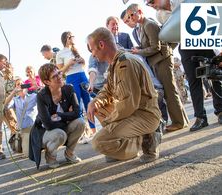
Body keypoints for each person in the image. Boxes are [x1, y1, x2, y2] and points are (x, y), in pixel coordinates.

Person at [87, 27, 161, 163]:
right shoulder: (115, 64)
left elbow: (128, 103)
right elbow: (107, 90)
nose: (92, 54)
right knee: (97, 107)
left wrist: (110, 121)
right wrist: (94, 102)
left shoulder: (125, 63)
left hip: (145, 115)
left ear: (101, 45)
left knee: (99, 142)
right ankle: (126, 143)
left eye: (92, 49)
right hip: (134, 112)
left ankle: (146, 141)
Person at [146, 0, 222, 129]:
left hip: (203, 36)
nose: (152, 5)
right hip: (185, 45)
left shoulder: (181, 1)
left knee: (213, 75)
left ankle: (220, 111)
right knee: (193, 80)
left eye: (152, 1)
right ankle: (200, 117)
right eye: (148, 4)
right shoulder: (160, 16)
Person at [126, 3, 189, 132]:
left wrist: (139, 52)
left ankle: (178, 122)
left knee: (170, 92)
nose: (131, 18)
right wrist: (139, 49)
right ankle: (182, 120)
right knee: (171, 91)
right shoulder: (143, 25)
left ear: (139, 11)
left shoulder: (148, 24)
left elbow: (156, 47)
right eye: (129, 17)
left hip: (162, 60)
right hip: (158, 61)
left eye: (132, 15)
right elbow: (149, 45)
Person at [29, 63, 85, 169]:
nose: (59, 77)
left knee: (81, 122)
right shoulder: (41, 95)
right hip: (44, 132)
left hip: (59, 127)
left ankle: (69, 153)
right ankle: (50, 157)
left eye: (59, 73)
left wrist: (59, 115)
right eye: (54, 76)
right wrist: (68, 116)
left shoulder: (69, 88)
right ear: (46, 82)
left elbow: (77, 112)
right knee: (60, 134)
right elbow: (48, 124)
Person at [56, 31, 96, 133]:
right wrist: (69, 64)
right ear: (67, 38)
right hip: (71, 78)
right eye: (72, 36)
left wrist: (82, 60)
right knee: (77, 105)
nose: (74, 38)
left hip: (82, 75)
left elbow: (83, 64)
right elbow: (60, 72)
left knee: (89, 102)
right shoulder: (60, 53)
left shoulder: (76, 50)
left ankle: (94, 130)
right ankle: (83, 133)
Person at [5, 77, 37, 157]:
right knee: (27, 154)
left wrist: (37, 87)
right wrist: (13, 92)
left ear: (26, 85)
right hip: (25, 130)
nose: (21, 86)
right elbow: (5, 104)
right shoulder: (15, 100)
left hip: (36, 128)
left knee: (37, 149)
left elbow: (45, 95)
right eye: (18, 84)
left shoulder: (33, 96)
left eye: (22, 84)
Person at [3, 63, 18, 136]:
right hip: (8, 104)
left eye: (9, 68)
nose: (7, 69)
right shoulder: (1, 81)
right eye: (5, 68)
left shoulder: (17, 79)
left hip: (18, 102)